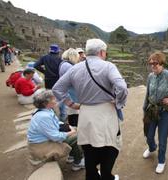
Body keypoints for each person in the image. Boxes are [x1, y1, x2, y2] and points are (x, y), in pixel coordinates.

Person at [52, 39, 127, 180]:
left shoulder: (76, 68)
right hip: (106, 112)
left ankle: (92, 176)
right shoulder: (108, 66)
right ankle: (106, 176)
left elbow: (57, 88)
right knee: (110, 146)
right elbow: (122, 87)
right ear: (102, 52)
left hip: (85, 112)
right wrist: (118, 102)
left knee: (89, 148)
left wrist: (71, 104)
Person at [27, 90, 85, 171]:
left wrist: (69, 127)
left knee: (75, 129)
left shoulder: (45, 110)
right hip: (41, 145)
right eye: (53, 99)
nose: (56, 100)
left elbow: (56, 122)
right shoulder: (44, 116)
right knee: (76, 136)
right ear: (46, 103)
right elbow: (55, 137)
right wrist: (71, 132)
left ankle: (72, 155)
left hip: (46, 139)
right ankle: (78, 163)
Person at [59, 48, 80, 126]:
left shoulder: (64, 64)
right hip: (72, 94)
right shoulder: (68, 66)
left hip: (69, 93)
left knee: (72, 114)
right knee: (74, 115)